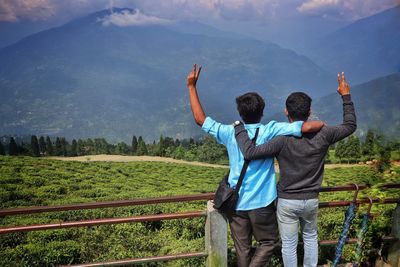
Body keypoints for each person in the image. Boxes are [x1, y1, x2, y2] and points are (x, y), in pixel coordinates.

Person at [186, 64, 324, 267]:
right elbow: (308, 126)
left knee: (242, 249)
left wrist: (191, 86)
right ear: (262, 111)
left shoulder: (229, 132)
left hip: (236, 203)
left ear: (240, 113)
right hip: (263, 203)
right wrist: (322, 125)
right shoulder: (272, 129)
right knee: (268, 242)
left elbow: (200, 119)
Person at [234, 72, 357, 267]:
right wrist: (345, 95)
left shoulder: (281, 139)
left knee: (289, 245)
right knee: (310, 238)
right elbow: (350, 125)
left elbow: (252, 152)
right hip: (311, 199)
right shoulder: (324, 134)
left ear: (286, 112)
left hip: (287, 200)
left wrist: (239, 129)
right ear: (309, 112)